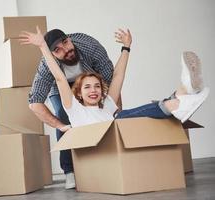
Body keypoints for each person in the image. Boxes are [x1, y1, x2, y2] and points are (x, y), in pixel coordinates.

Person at [19, 27, 209, 188]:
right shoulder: (74, 109)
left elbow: (117, 76)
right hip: (100, 147)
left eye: (96, 87)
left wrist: (126, 47)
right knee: (120, 117)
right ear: (78, 93)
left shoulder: (106, 101)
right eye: (87, 87)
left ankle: (182, 92)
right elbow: (58, 80)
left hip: (118, 137)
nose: (93, 91)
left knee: (122, 114)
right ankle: (176, 101)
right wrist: (43, 47)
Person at [24, 28, 118, 189]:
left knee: (104, 113)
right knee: (63, 114)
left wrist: (115, 113)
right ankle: (69, 171)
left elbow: (112, 82)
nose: (66, 50)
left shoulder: (89, 46)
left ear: (69, 39)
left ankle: (108, 158)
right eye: (57, 50)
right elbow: (34, 102)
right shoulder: (46, 66)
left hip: (89, 83)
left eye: (66, 43)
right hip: (61, 86)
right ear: (52, 54)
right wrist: (61, 126)